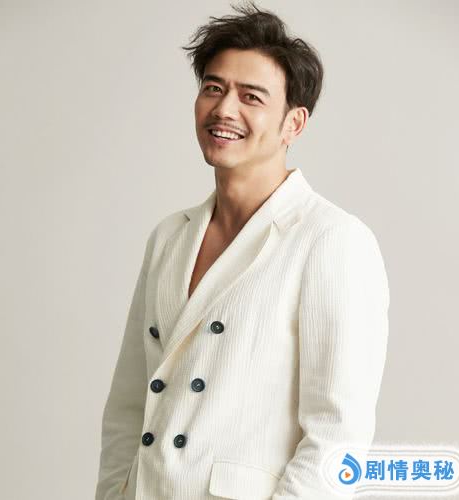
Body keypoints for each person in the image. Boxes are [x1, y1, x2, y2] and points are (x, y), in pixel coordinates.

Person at [94, 2, 390, 499]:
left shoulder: (331, 240)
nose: (224, 110)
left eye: (251, 96)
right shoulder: (169, 236)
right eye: (213, 88)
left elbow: (338, 436)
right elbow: (127, 406)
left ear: (294, 124)